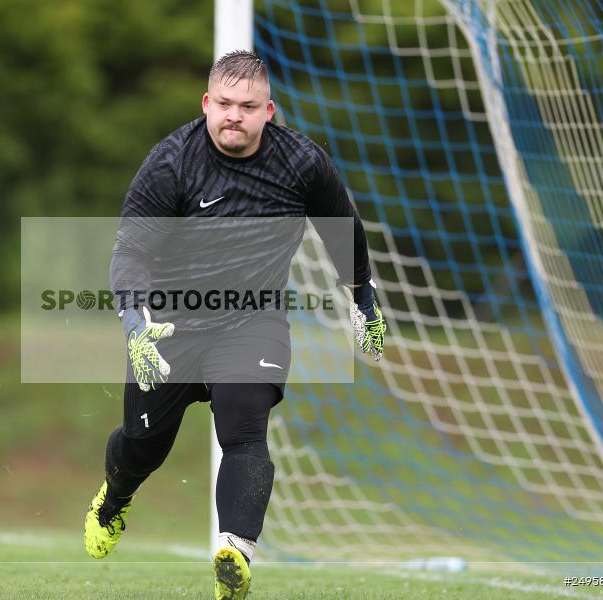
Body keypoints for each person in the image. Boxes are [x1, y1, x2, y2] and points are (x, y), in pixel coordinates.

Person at [83, 50, 386, 600]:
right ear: (206, 104)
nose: (234, 116)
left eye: (248, 106)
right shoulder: (171, 162)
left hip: (253, 319)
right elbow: (129, 252)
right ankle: (114, 499)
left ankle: (235, 554)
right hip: (168, 326)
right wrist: (133, 322)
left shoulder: (302, 163)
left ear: (268, 111)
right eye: (223, 104)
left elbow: (343, 228)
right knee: (143, 444)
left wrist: (363, 299)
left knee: (245, 433)